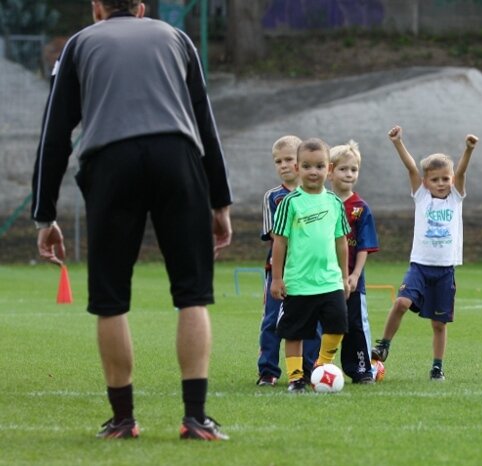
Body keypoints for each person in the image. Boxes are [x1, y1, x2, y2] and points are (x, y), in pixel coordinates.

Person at [31, 0, 232, 440]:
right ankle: (195, 418)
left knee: (110, 299)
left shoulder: (79, 44)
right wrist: (220, 201)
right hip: (177, 157)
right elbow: (205, 122)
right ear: (141, 8)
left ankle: (123, 420)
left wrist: (45, 214)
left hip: (111, 163)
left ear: (96, 8)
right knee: (192, 295)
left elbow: (55, 133)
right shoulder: (177, 39)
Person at [371, 125, 479, 381]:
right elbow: (411, 168)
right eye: (435, 179)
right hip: (419, 266)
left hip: (444, 270)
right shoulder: (421, 197)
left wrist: (468, 149)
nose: (441, 184)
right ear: (425, 182)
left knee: (439, 324)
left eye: (445, 179)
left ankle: (437, 367)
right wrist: (398, 142)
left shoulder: (455, 198)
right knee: (401, 303)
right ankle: (384, 345)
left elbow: (462, 172)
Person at [270, 138, 351, 393]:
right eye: (306, 166)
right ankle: (296, 378)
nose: (313, 171)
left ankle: (322, 366)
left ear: (329, 169)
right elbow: (279, 242)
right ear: (297, 169)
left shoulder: (335, 203)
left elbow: (341, 242)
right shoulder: (290, 203)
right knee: (294, 333)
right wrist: (277, 278)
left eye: (319, 166)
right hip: (298, 282)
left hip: (330, 280)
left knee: (338, 325)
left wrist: (344, 276)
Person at [257, 135, 321, 387]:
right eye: (278, 161)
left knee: (313, 321)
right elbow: (275, 235)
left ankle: (308, 369)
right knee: (273, 320)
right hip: (280, 269)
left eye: (288, 159)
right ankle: (268, 371)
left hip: (311, 270)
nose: (283, 165)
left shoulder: (318, 196)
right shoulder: (273, 197)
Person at [328, 141, 380, 384]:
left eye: (354, 169)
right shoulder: (321, 204)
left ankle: (361, 369)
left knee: (355, 325)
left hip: (351, 280)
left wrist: (355, 275)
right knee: (320, 325)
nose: (349, 174)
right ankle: (314, 367)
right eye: (343, 169)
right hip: (322, 278)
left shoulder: (361, 208)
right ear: (330, 171)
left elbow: (364, 246)